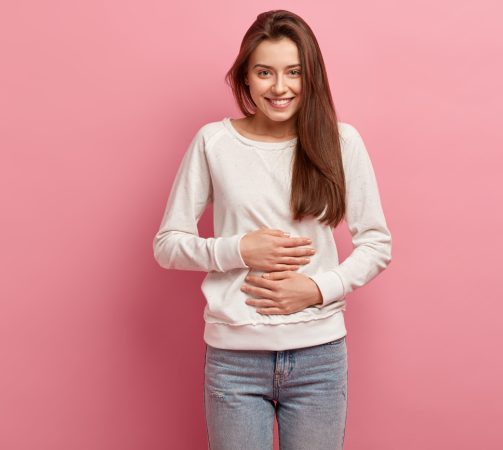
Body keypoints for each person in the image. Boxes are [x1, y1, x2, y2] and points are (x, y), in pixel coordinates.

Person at [152, 9, 392, 450]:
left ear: (310, 76)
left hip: (320, 356)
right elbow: (168, 245)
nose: (279, 88)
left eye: (293, 72)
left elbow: (377, 243)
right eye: (265, 72)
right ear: (245, 79)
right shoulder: (214, 142)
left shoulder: (341, 142)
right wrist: (239, 249)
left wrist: (319, 289)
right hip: (235, 359)